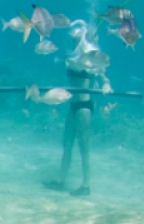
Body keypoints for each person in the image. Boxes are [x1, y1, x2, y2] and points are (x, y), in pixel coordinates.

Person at [43, 20, 111, 196]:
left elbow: (102, 70)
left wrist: (106, 84)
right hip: (73, 106)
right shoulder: (73, 54)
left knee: (83, 147)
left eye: (75, 37)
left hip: (84, 107)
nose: (72, 40)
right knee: (67, 144)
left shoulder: (89, 52)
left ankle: (86, 185)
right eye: (71, 37)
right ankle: (60, 180)